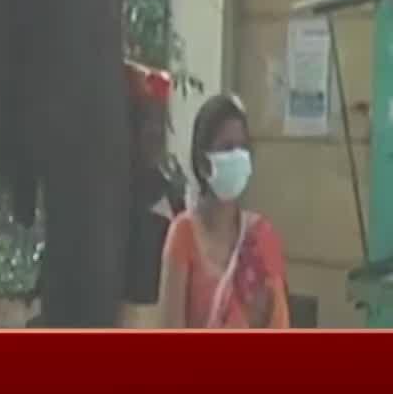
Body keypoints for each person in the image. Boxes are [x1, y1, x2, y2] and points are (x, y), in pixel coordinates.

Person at [158, 93, 290, 329]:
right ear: (202, 161)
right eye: (227, 148)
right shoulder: (183, 234)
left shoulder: (261, 237)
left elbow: (278, 324)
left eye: (242, 148)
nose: (237, 157)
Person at [120, 62, 185, 328]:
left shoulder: (173, 196)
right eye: (146, 119)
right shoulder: (104, 199)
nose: (155, 131)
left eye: (160, 120)